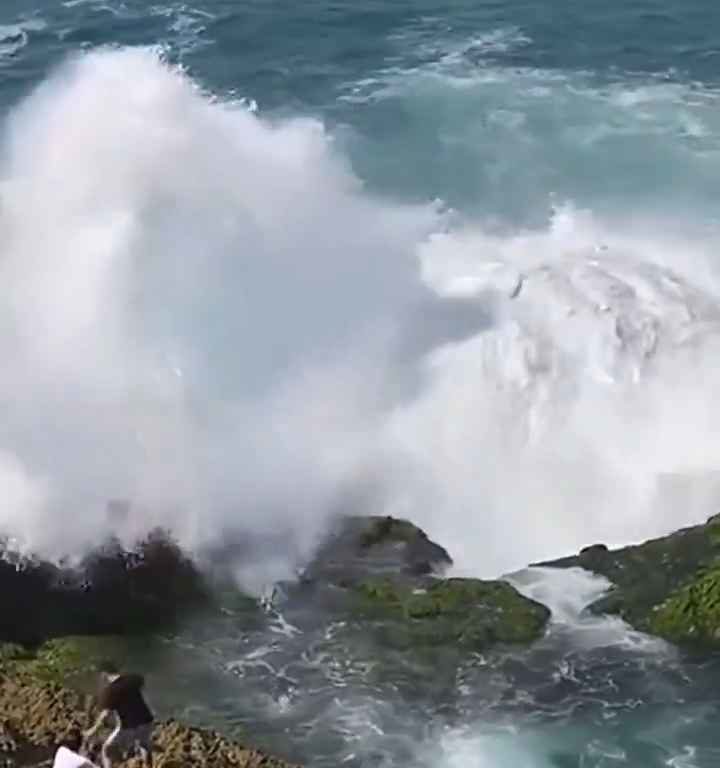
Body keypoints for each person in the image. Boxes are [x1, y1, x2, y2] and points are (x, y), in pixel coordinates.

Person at [84, 661, 154, 768]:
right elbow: (141, 682)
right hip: (147, 721)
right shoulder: (133, 679)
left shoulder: (110, 691)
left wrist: (92, 731)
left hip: (128, 727)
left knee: (107, 749)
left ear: (104, 674)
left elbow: (105, 715)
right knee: (144, 745)